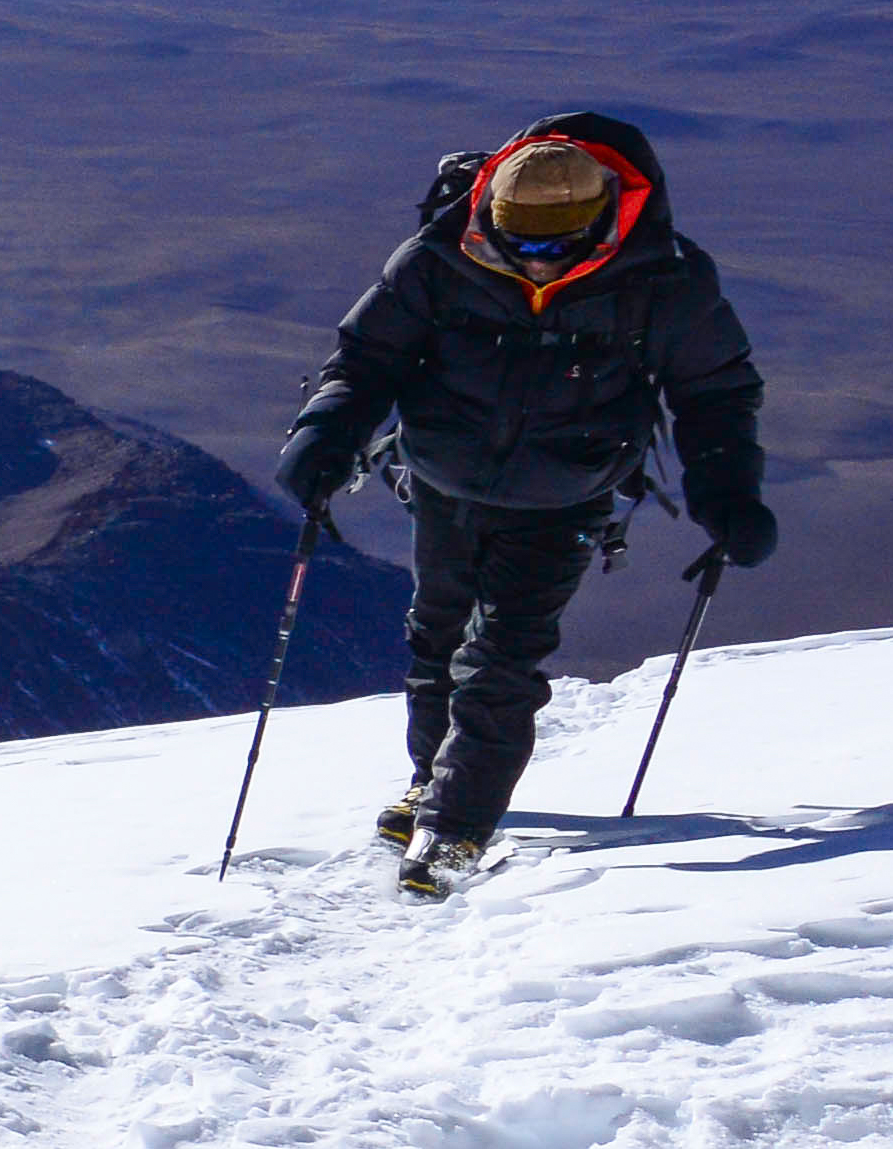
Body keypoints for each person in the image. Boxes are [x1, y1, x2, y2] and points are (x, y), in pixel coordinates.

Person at [272, 114, 771, 888]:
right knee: (437, 632)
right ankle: (431, 779)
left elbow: (714, 392)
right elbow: (369, 358)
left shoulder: (662, 279)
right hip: (444, 477)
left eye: (553, 247)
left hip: (568, 495)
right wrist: (326, 431)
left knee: (502, 652)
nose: (533, 262)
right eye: (517, 243)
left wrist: (728, 491)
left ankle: (454, 828)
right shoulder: (439, 255)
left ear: (601, 221)